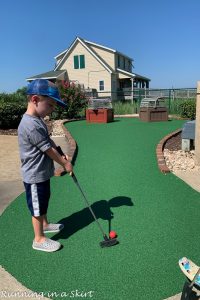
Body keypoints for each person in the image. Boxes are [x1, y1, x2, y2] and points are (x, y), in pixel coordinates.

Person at [18, 79, 73, 252]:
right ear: (35, 100)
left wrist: (61, 152)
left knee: (43, 201)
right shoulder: (30, 125)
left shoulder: (38, 120)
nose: (52, 109)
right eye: (50, 105)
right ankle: (39, 239)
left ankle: (46, 225)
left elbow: (49, 141)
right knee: (37, 207)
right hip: (34, 175)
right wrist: (65, 163)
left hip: (41, 173)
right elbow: (48, 150)